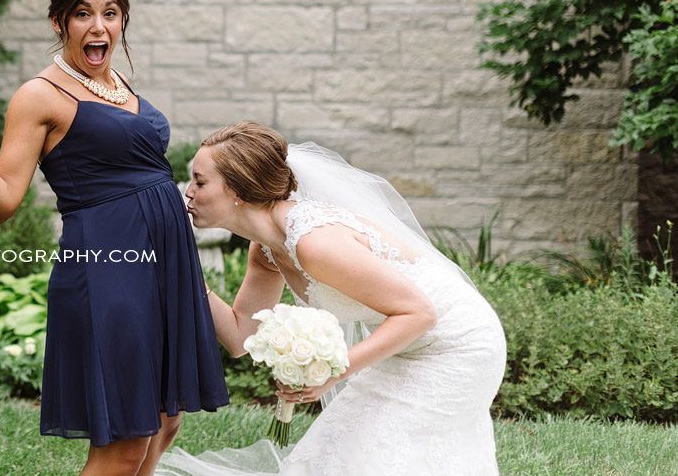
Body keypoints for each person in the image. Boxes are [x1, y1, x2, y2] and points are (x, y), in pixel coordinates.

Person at [0, 0, 229, 476]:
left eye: (111, 13)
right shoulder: (39, 95)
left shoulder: (114, 81)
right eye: (82, 14)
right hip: (108, 269)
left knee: (164, 422)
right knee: (124, 440)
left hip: (163, 264)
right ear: (58, 22)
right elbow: (4, 199)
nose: (99, 27)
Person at [159, 121, 506, 476]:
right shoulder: (266, 250)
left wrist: (332, 372)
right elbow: (239, 337)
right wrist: (186, 277)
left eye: (200, 181)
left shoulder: (314, 242)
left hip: (459, 346)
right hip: (410, 346)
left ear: (239, 190)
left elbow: (419, 313)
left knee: (375, 454)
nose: (188, 192)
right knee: (334, 453)